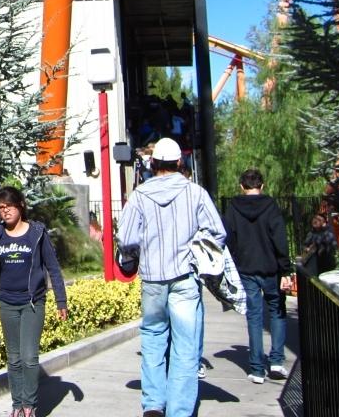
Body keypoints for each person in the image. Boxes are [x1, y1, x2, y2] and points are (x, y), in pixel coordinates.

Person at [117, 138, 226, 417]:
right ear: (180, 162)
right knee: (185, 345)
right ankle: (179, 410)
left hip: (153, 278)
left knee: (153, 338)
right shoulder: (195, 193)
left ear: (153, 163)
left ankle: (154, 403)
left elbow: (126, 238)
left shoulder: (140, 196)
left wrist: (135, 254)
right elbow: (218, 233)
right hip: (185, 277)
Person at [0, 187, 68, 417]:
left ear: (21, 205)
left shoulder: (37, 233)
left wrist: (61, 301)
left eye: (9, 206)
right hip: (7, 303)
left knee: (29, 358)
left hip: (33, 302)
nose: (5, 211)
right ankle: (17, 406)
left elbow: (53, 268)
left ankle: (29, 405)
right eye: (0, 208)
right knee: (13, 358)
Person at [223, 169, 294, 384]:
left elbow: (229, 239)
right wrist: (285, 269)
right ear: (262, 186)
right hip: (271, 268)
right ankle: (276, 361)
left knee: (254, 316)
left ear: (241, 186)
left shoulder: (234, 207)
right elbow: (280, 238)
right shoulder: (271, 206)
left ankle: (257, 369)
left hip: (246, 268)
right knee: (277, 312)